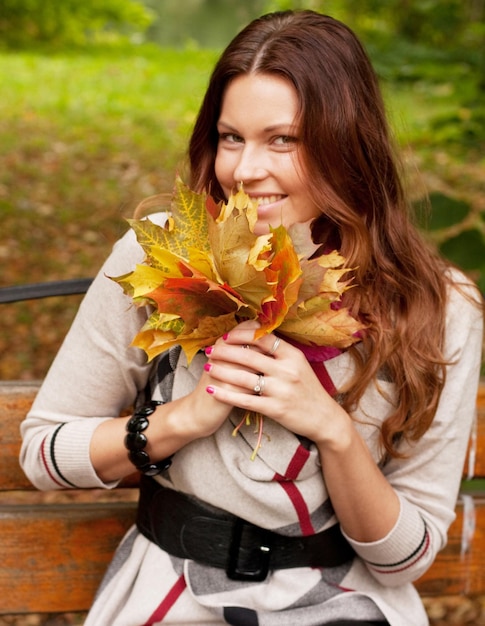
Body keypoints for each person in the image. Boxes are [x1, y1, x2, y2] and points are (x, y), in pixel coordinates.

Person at [20, 9, 483, 626]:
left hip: (347, 604)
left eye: (283, 140)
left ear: (349, 142)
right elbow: (44, 451)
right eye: (231, 137)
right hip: (175, 597)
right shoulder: (165, 254)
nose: (244, 170)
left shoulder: (439, 305)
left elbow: (408, 558)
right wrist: (183, 418)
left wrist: (333, 431)